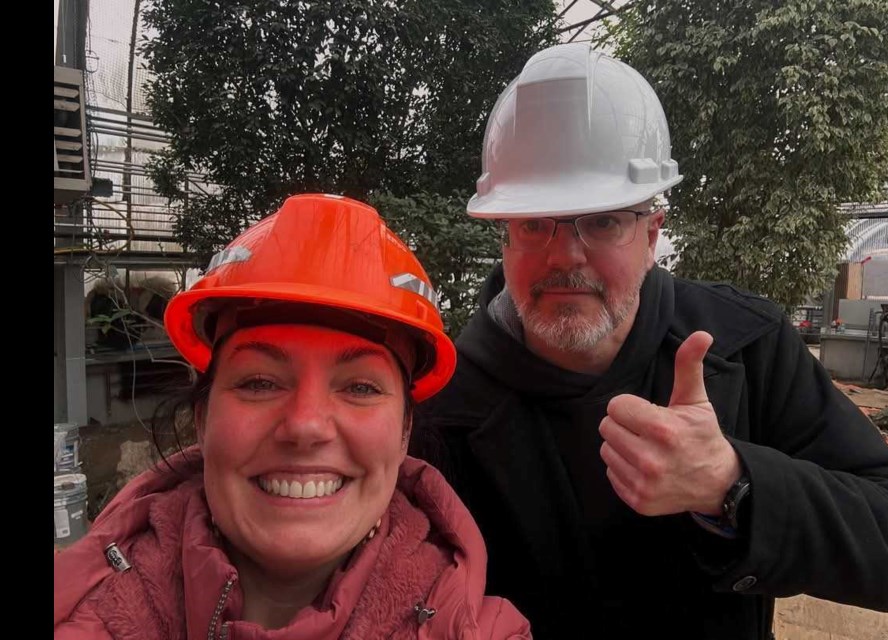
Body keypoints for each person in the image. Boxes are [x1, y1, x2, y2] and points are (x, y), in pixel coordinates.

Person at [411, 43, 888, 639]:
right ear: (504, 236)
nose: (564, 255)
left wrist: (733, 485)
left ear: (652, 233)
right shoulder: (444, 404)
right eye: (534, 223)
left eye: (602, 221)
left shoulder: (744, 346)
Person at [53, 194, 532, 639]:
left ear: (405, 432)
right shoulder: (77, 612)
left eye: (361, 387)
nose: (305, 426)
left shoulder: (481, 629)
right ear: (202, 419)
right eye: (260, 382)